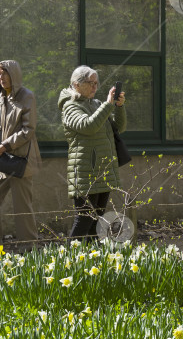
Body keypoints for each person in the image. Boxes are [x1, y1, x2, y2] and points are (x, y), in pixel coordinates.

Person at [58, 66, 126, 241]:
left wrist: (118, 106)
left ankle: (92, 260)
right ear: (77, 85)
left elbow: (119, 127)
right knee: (84, 219)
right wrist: (108, 105)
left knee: (98, 219)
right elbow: (88, 126)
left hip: (102, 170)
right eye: (91, 83)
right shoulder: (69, 106)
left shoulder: (96, 104)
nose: (95, 87)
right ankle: (69, 260)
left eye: (96, 83)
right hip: (85, 171)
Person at [0, 60, 42, 251]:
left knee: (23, 208)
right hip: (2, 161)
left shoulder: (27, 97)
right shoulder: (2, 97)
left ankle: (29, 250)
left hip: (20, 162)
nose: (1, 78)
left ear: (13, 75)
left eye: (4, 73)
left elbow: (28, 130)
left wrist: (5, 145)